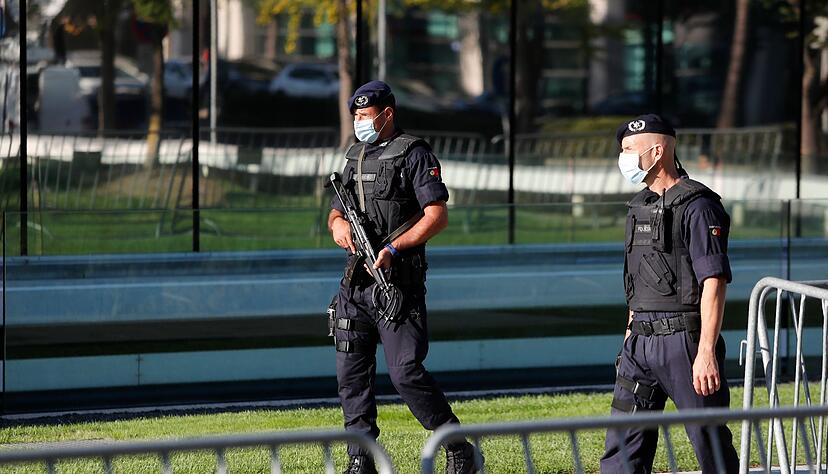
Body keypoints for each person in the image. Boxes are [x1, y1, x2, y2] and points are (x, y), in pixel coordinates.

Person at [327, 80, 481, 474]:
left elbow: (437, 214)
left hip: (397, 285)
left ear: (386, 114)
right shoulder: (355, 155)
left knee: (406, 373)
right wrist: (338, 225)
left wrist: (395, 248)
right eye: (356, 116)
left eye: (364, 116)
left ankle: (457, 448)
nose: (359, 123)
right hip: (356, 283)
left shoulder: (414, 153)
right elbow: (335, 208)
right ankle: (360, 459)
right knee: (351, 378)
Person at [600, 114, 739, 473]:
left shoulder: (698, 206)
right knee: (621, 451)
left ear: (657, 151)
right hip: (639, 344)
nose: (623, 157)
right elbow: (637, 281)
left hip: (684, 343)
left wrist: (706, 351)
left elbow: (714, 280)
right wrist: (630, 335)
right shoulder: (639, 207)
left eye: (629, 149)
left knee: (711, 447)